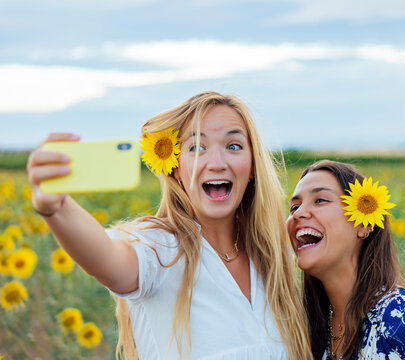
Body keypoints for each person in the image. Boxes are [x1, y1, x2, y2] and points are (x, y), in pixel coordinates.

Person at [27, 91, 312, 359]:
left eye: (233, 146)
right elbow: (108, 260)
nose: (215, 162)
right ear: (176, 167)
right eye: (196, 147)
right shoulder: (160, 249)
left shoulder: (276, 259)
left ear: (252, 167)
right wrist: (57, 209)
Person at [286, 160, 405, 360]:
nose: (298, 213)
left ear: (363, 223)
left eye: (320, 200)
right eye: (294, 207)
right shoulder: (309, 332)